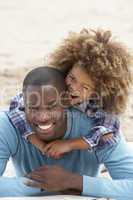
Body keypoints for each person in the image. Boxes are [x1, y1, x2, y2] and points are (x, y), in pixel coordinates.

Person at [0, 66, 133, 199]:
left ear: (67, 102)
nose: (42, 117)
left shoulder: (101, 128)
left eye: (52, 106)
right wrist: (43, 185)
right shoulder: (9, 122)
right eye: (33, 107)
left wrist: (73, 181)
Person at [9, 29, 131, 159]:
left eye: (85, 87)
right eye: (72, 78)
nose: (74, 88)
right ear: (66, 68)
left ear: (98, 92)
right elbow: (17, 105)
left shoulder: (92, 106)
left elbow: (109, 131)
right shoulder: (52, 90)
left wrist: (69, 145)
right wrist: (38, 143)